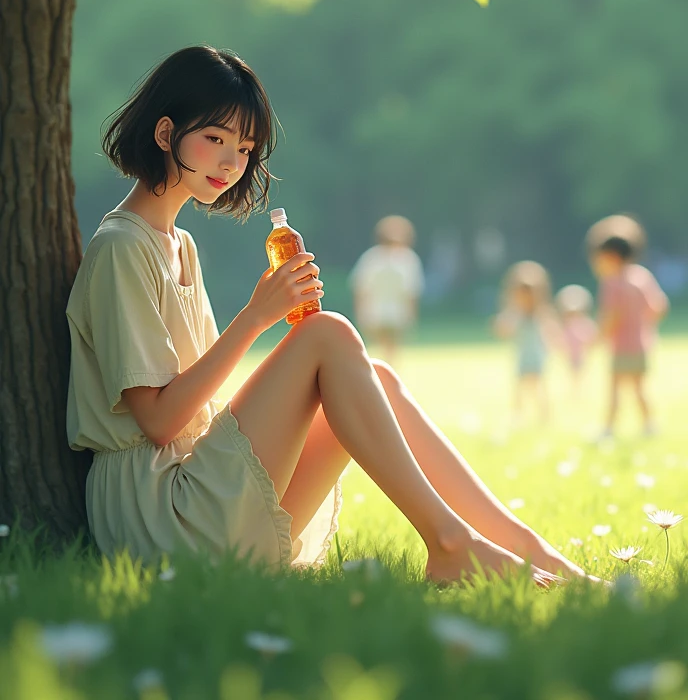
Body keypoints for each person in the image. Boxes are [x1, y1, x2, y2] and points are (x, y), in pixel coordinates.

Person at [66, 45, 592, 586]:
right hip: (157, 513)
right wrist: (255, 317)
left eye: (244, 149)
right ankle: (450, 543)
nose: (231, 163)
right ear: (164, 134)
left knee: (376, 380)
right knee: (328, 334)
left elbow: (192, 405)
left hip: (196, 480)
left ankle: (528, 549)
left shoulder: (179, 244)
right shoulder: (121, 247)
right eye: (215, 139)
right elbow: (157, 421)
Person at [586, 215, 669, 437]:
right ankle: (650, 425)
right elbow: (659, 307)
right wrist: (641, 323)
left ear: (610, 256)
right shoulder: (642, 277)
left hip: (621, 347)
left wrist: (598, 338)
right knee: (639, 388)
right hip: (641, 344)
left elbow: (611, 316)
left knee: (614, 389)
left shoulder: (612, 282)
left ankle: (608, 428)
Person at [349, 215, 424, 367]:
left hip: (381, 312)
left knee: (385, 347)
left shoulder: (372, 258)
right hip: (387, 312)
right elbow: (412, 292)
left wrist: (360, 312)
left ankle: (382, 372)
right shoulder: (406, 259)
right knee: (390, 348)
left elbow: (360, 288)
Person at [493, 261, 558, 426]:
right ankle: (517, 414)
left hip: (537, 355)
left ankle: (544, 416)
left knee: (539, 386)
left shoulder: (540, 313)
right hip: (522, 355)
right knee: (520, 386)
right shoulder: (516, 313)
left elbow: (551, 329)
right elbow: (503, 328)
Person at [555, 284, 598, 397]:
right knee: (572, 372)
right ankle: (574, 390)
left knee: (582, 371)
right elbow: (561, 339)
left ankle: (581, 390)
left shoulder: (585, 323)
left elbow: (591, 336)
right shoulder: (566, 325)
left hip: (581, 354)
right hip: (571, 355)